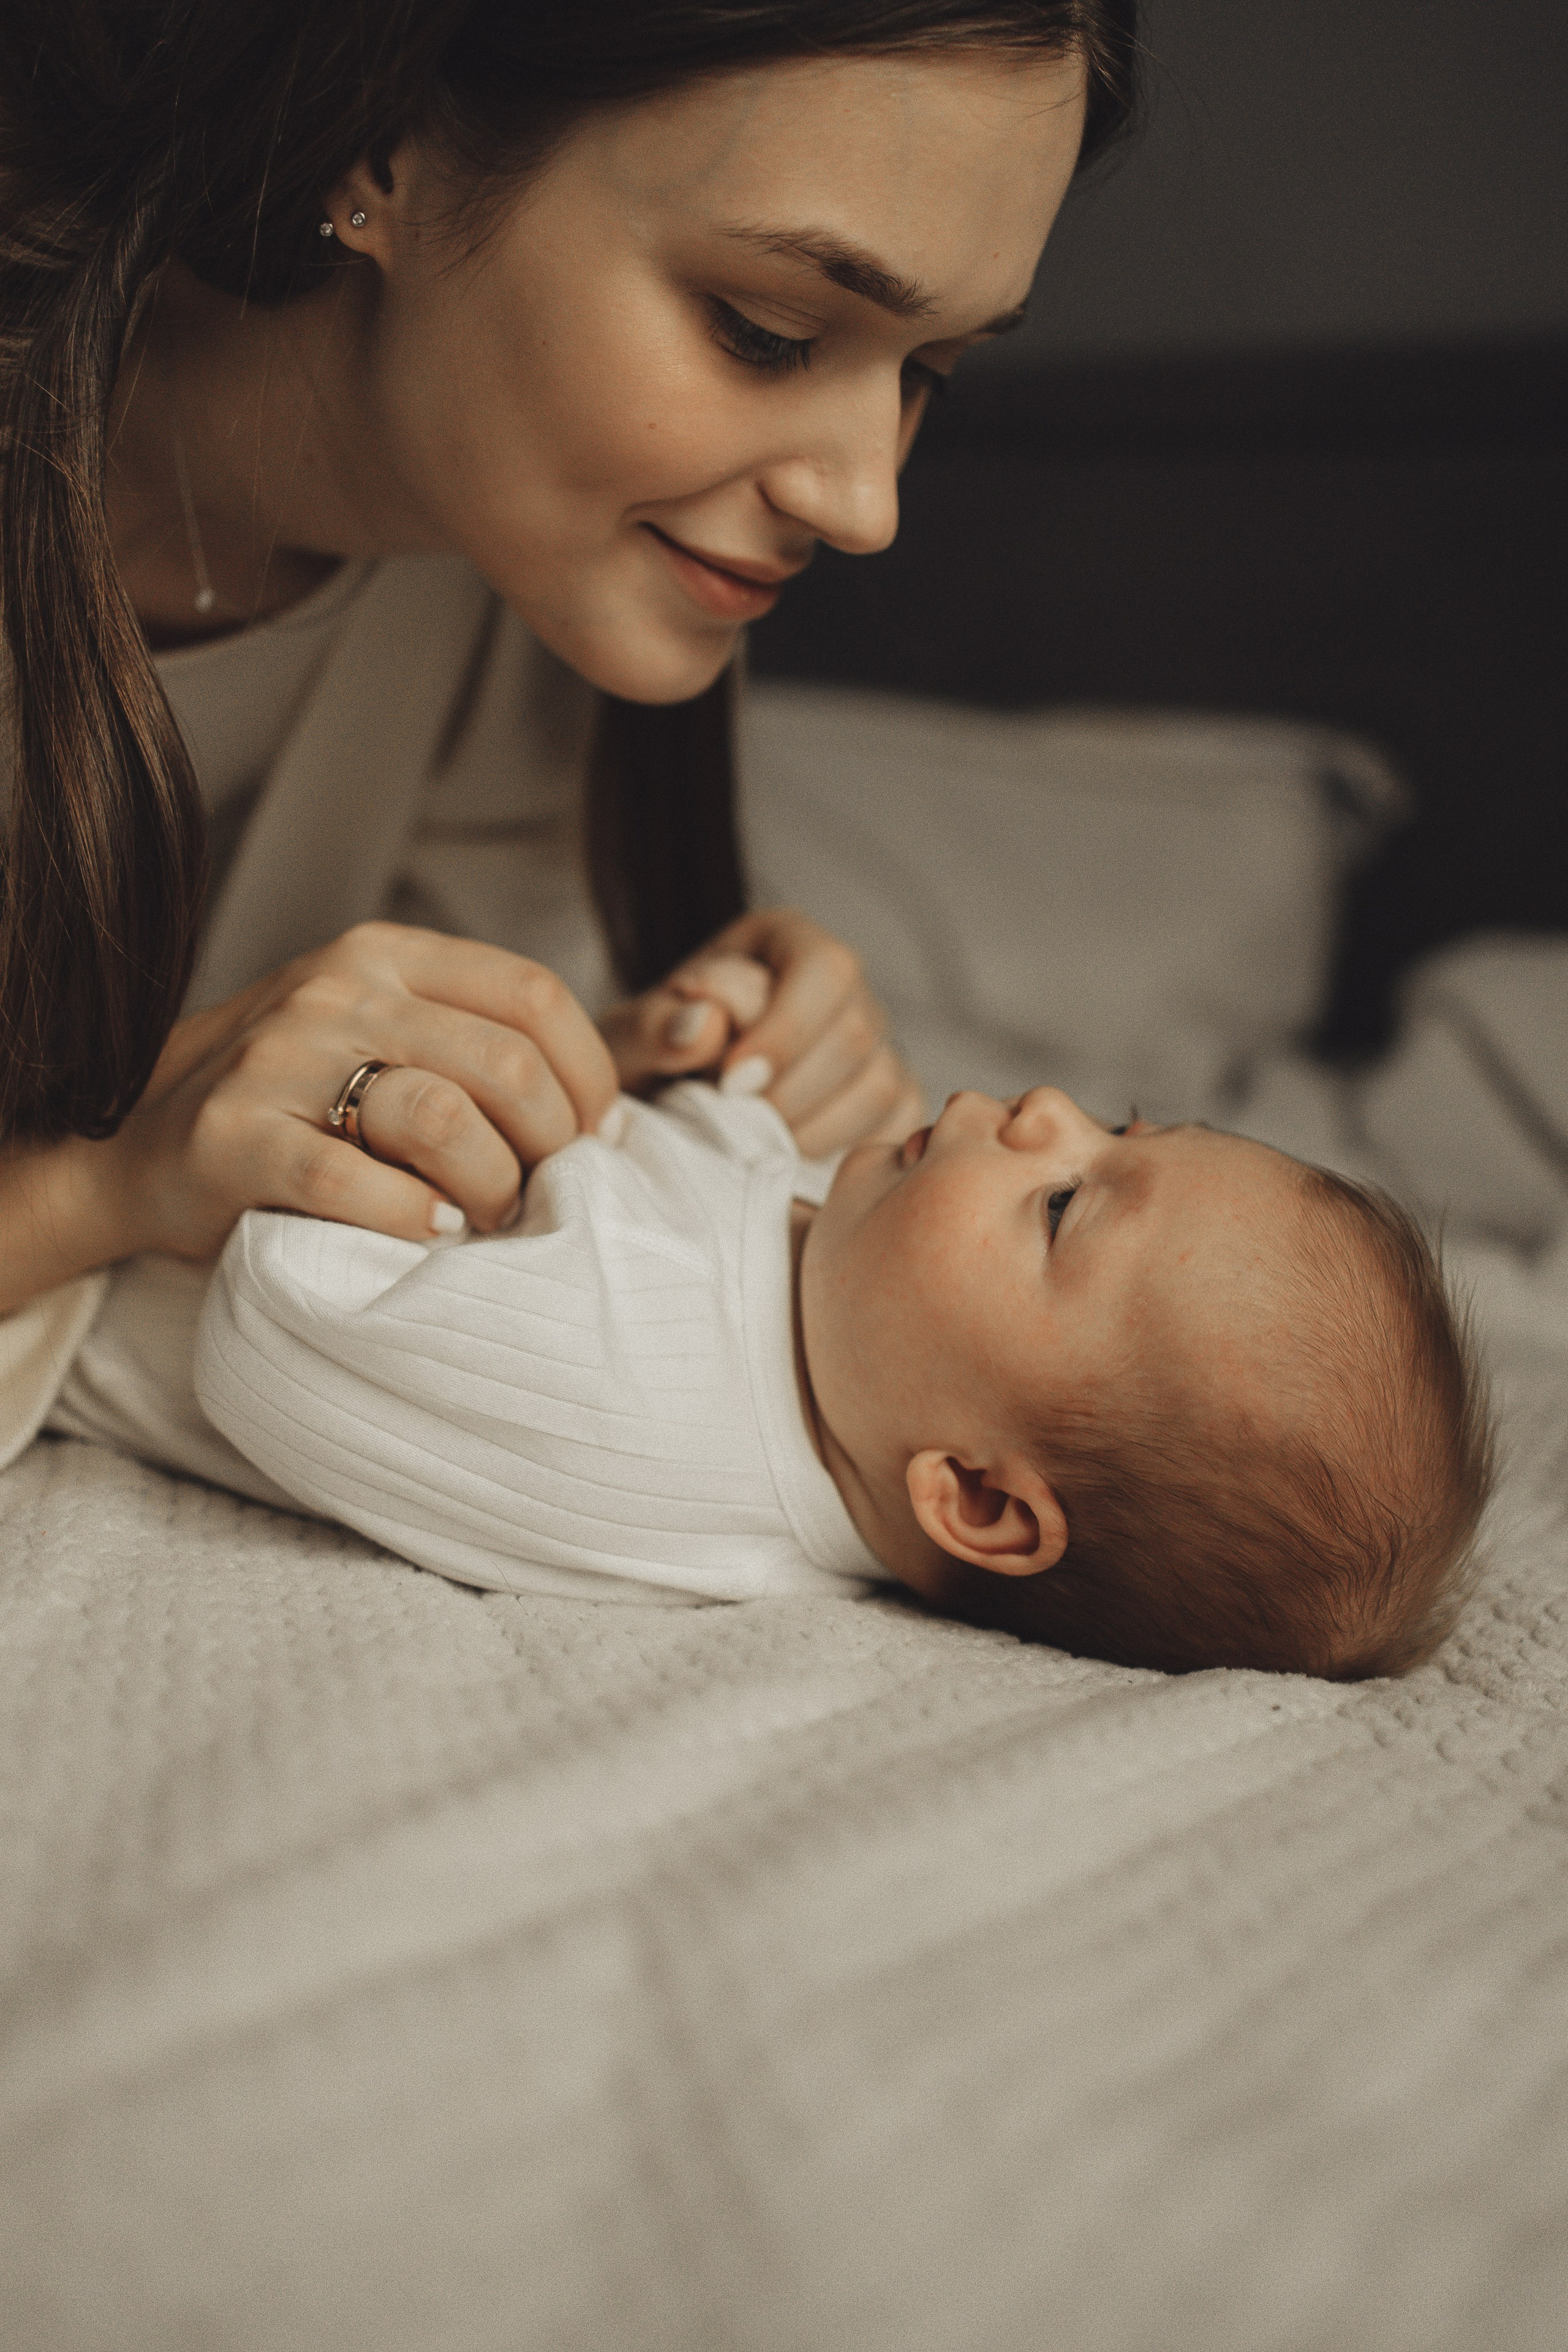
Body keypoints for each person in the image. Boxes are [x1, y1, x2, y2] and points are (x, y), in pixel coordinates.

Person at [0, 0, 1137, 1464]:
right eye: (767, 331)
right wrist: (93, 1189)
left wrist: (638, 1080)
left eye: (926, 372)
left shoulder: (545, 579)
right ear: (376, 153)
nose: (865, 505)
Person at [191, 1077, 1494, 1680]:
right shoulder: (850, 1294)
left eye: (1060, 1206)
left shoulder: (643, 1408)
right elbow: (696, 1159)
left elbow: (268, 1320)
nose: (1045, 1107)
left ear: (975, 1499)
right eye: (1120, 1123)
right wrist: (634, 1065)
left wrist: (386, 1104)